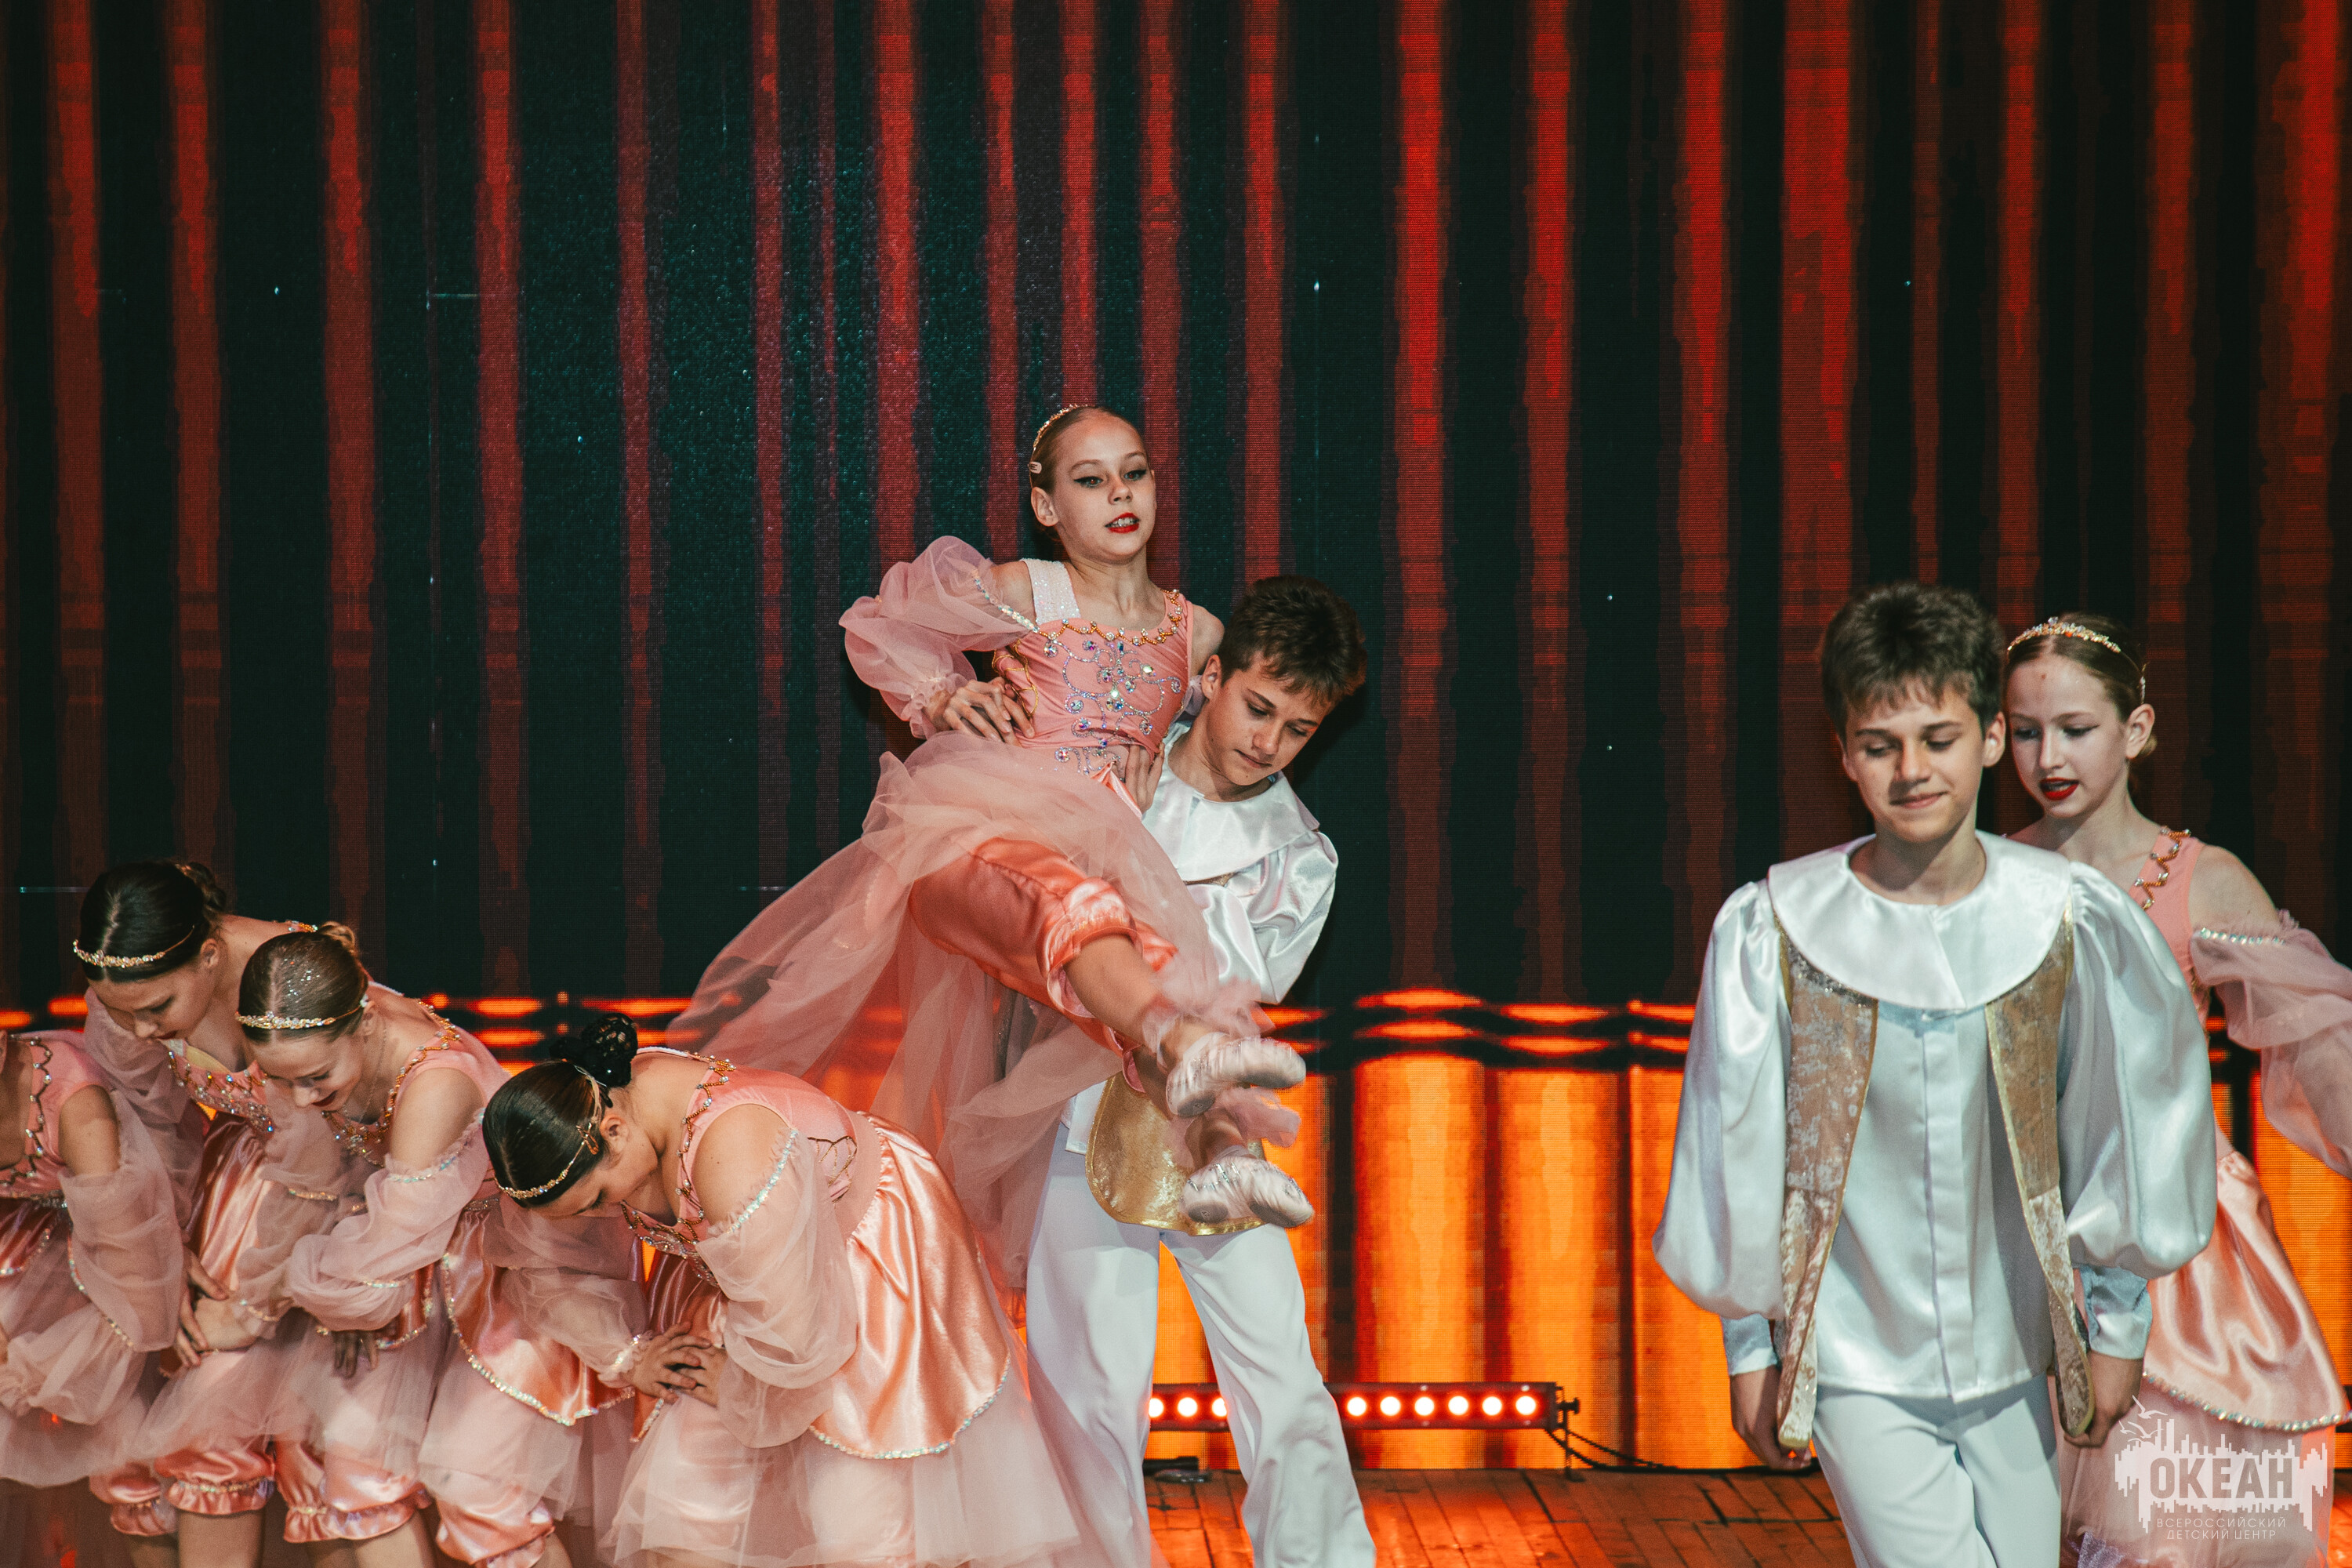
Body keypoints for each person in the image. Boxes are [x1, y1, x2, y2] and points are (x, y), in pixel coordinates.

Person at [669, 405, 1302, 1292]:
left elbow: (1235, 738)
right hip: (982, 828)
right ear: (1047, 507)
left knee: (1168, 963)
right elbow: (882, 620)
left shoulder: (1193, 632)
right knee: (1080, 912)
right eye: (1090, 480)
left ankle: (1222, 1148)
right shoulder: (1031, 592)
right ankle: (1181, 1053)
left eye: (1135, 473)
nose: (1120, 495)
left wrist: (1168, 763)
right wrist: (940, 696)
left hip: (1108, 849)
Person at [1653, 581, 2219, 1568]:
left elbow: (2120, 1120)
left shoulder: (2064, 915)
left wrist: (2118, 1322)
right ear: (1844, 754)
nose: (1912, 770)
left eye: (1939, 738)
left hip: (2017, 1352)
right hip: (1861, 1358)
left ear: (1992, 737)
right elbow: (1735, 1146)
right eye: (1881, 745)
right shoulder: (1778, 927)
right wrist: (1752, 1343)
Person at [481, 1017, 1131, 1568]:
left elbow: (794, 1333)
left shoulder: (731, 1151)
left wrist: (742, 1385)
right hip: (742, 1278)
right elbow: (547, 1261)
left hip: (859, 1268)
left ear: (615, 1132)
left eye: (596, 1200)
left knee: (858, 1518)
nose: (600, 1219)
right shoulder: (595, 1103)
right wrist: (629, 1355)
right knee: (690, 1509)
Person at [1022, 574, 1377, 1566]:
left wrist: (1135, 861)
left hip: (1208, 1129)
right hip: (1078, 1111)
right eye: (1258, 707)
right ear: (1213, 677)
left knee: (1281, 1374)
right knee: (1088, 1386)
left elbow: (1232, 991)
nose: (1269, 741)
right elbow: (1041, 933)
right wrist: (1112, 824)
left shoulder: (1300, 857)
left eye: (1299, 728)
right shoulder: (1105, 765)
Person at [2007, 613, 2352, 1567]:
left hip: (2176, 1236)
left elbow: (2320, 1043)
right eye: (2027, 731)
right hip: (2031, 1225)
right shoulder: (1993, 872)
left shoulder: (2200, 878)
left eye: (2076, 728)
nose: (2049, 756)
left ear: (2138, 728)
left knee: (2156, 1530)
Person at [216, 930, 630, 1568]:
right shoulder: (320, 1030)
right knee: (344, 1457)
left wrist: (280, 1299)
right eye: (279, 1079)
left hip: (515, 1272)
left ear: (365, 1022)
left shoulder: (435, 1084)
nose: (300, 1099)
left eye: (316, 1078)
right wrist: (344, 1299)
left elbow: (390, 1244)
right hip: (421, 1263)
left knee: (480, 1494)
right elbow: (359, 1222)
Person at [74, 862, 380, 1564]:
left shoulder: (282, 979)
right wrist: (164, 1238)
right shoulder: (131, 988)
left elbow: (323, 1149)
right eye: (120, 1010)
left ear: (210, 956)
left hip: (347, 1182)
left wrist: (266, 1303)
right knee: (201, 1423)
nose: (141, 1028)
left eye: (157, 1008)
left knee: (321, 1434)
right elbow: (147, 1121)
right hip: (240, 1179)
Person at [0, 1023, 181, 1528]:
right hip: (24, 1236)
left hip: (112, 1238)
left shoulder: (74, 1100)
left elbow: (126, 1249)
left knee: (124, 1442)